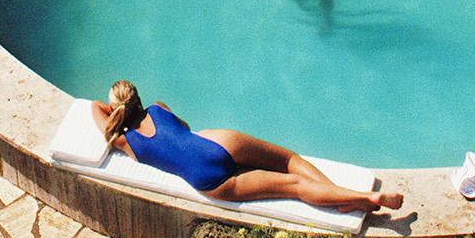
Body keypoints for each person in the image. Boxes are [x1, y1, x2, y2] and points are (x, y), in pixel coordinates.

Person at [92, 81, 404, 214]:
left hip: (206, 177)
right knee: (290, 160)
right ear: (139, 98)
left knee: (293, 187)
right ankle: (343, 194)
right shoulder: (159, 108)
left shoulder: (125, 141)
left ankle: (363, 198)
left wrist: (116, 118)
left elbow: (94, 108)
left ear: (116, 109)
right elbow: (185, 129)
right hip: (218, 142)